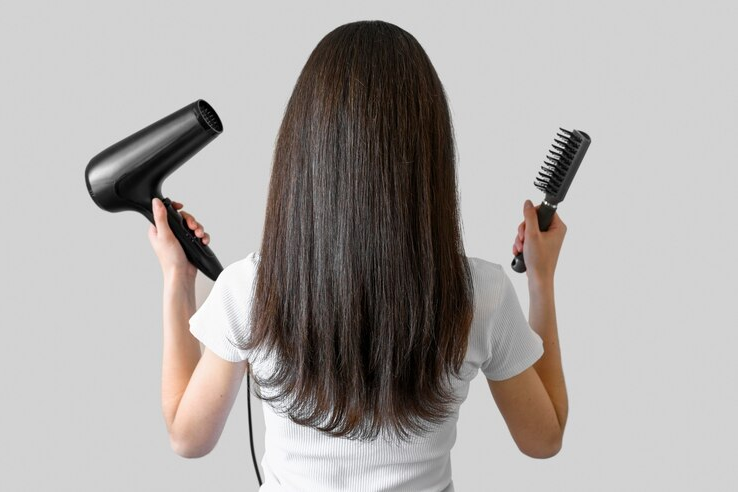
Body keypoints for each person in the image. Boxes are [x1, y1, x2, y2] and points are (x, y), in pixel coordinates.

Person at [148, 20, 568, 492]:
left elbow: (188, 438)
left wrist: (177, 280)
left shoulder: (250, 289)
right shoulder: (480, 295)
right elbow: (544, 438)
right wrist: (541, 279)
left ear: (303, 152)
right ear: (429, 158)